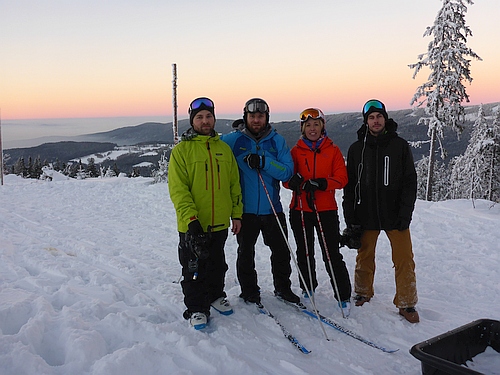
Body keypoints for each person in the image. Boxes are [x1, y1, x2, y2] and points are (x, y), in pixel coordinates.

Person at [168, 97, 243, 330]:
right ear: (192, 121)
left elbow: (234, 184)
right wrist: (191, 220)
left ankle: (214, 295)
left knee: (217, 264)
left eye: (208, 116)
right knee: (193, 268)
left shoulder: (223, 149)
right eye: (199, 117)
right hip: (193, 224)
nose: (205, 121)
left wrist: (236, 214)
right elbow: (179, 190)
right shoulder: (182, 151)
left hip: (219, 222)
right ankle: (196, 308)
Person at [342, 99, 419, 323]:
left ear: (385, 119)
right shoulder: (357, 148)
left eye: (379, 117)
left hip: (395, 214)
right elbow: (350, 185)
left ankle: (407, 303)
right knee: (364, 255)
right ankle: (363, 293)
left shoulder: (399, 145)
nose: (376, 121)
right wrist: (350, 216)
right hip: (366, 213)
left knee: (404, 258)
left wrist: (406, 213)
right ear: (366, 122)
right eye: (371, 118)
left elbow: (409, 182)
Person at [221, 98, 300, 305]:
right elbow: (212, 153)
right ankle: (249, 291)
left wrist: (264, 161)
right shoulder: (232, 141)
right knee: (246, 253)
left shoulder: (276, 141)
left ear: (267, 117)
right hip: (245, 210)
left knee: (281, 252)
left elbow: (287, 172)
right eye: (252, 116)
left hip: (271, 207)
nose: (256, 120)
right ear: (245, 117)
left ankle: (283, 288)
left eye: (260, 116)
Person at [284, 108, 352, 317]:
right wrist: (292, 182)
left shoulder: (332, 150)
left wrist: (322, 183)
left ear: (322, 126)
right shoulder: (296, 151)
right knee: (304, 252)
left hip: (326, 210)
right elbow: (287, 178)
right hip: (301, 209)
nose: (312, 129)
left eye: (316, 124)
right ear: (303, 128)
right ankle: (308, 287)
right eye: (308, 125)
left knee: (331, 253)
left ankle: (342, 295)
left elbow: (342, 178)